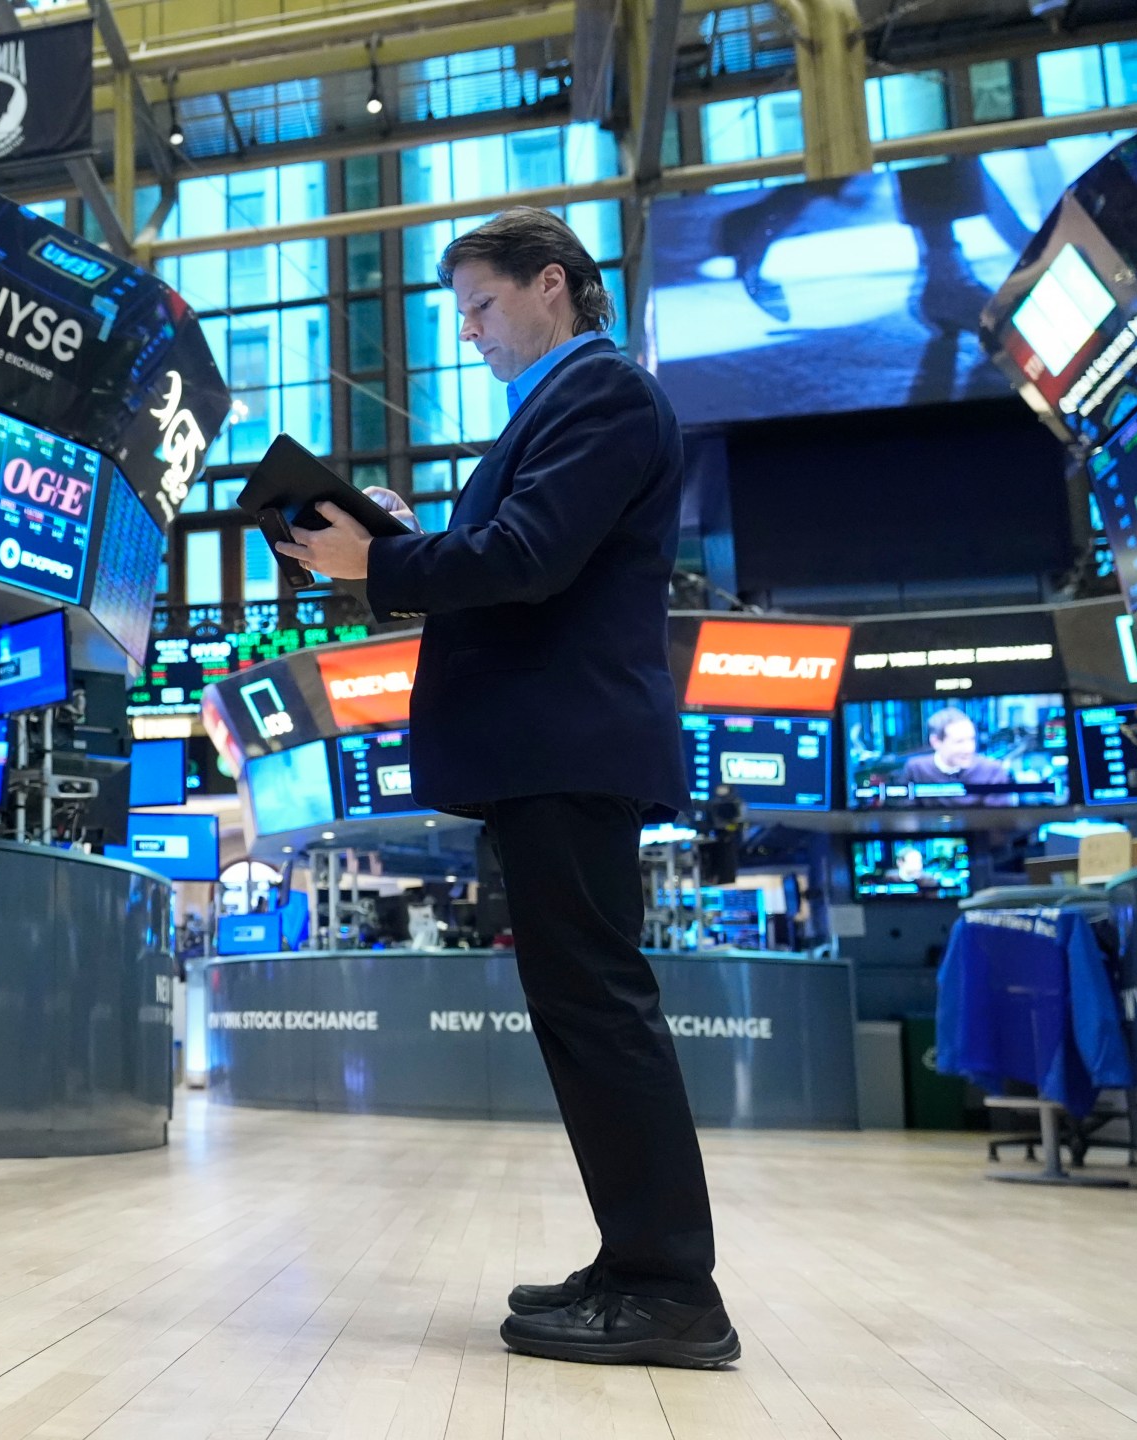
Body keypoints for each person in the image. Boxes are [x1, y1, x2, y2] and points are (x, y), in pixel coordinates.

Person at [277, 208, 738, 1370]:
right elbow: (515, 550)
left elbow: (526, 558)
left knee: (599, 1013)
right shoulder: (560, 409)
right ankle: (635, 1259)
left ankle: (671, 1286)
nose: (469, 333)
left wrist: (376, 561)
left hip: (567, 751)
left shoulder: (603, 398)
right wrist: (401, 544)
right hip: (547, 756)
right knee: (583, 1016)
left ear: (552, 286)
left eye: (480, 306)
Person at [898, 707, 1015, 804]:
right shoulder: (916, 769)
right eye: (959, 742)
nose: (969, 748)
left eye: (971, 739)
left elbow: (999, 821)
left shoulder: (992, 770)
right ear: (936, 742)